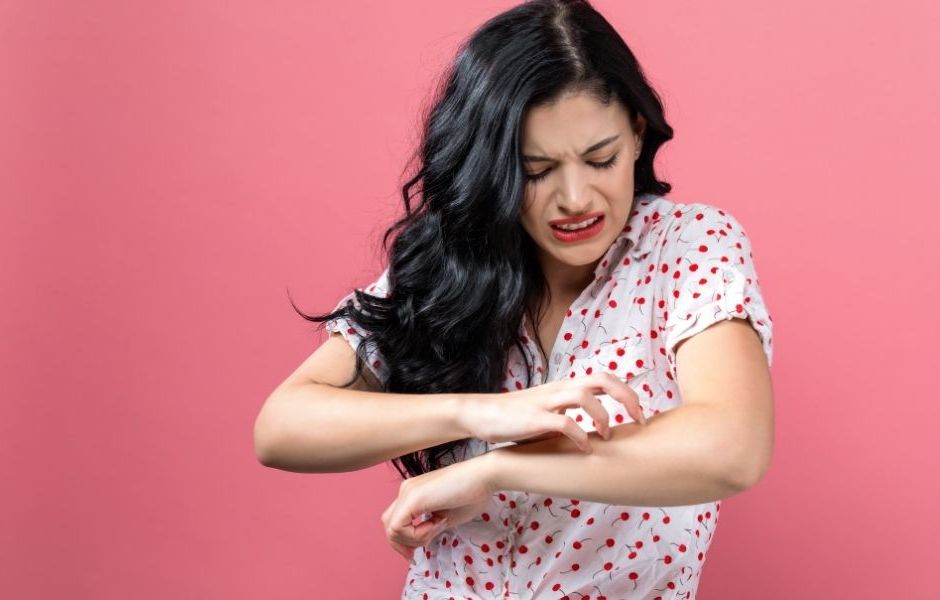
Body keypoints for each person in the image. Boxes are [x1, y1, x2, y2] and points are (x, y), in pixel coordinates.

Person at [254, 0, 775, 597]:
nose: (576, 197)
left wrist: (495, 469)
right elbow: (280, 428)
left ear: (636, 133)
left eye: (600, 158)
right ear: (492, 169)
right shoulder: (454, 268)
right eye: (535, 170)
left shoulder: (687, 247)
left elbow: (734, 448)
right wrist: (477, 411)